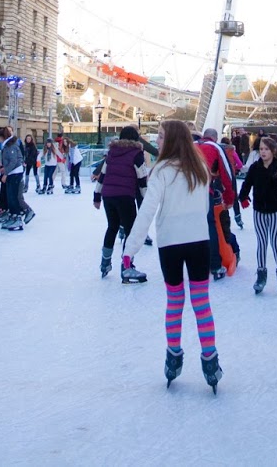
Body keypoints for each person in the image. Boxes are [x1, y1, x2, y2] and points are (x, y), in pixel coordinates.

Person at [124, 120, 222, 391]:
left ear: (173, 139)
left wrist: (129, 250)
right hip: (198, 242)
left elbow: (146, 211)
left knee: (175, 302)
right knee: (201, 303)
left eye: (161, 136)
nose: (156, 140)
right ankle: (210, 359)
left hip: (171, 245)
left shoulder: (161, 171)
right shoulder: (200, 168)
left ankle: (174, 356)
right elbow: (204, 207)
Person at [237, 136, 277, 295]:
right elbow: (247, 183)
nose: (263, 152)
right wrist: (243, 197)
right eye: (261, 149)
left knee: (275, 243)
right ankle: (261, 274)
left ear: (273, 151)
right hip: (259, 211)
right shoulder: (255, 168)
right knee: (262, 242)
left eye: (266, 149)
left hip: (275, 211)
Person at [94, 126, 149, 282]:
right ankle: (127, 266)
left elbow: (102, 175)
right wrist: (145, 200)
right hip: (125, 196)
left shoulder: (112, 153)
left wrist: (96, 196)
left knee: (112, 227)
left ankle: (105, 263)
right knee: (131, 231)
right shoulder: (137, 154)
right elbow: (142, 179)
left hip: (108, 196)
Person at [197, 128, 238, 278]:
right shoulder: (216, 148)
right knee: (210, 224)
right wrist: (229, 199)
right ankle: (215, 265)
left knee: (191, 227)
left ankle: (194, 264)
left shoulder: (191, 145)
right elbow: (227, 175)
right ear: (215, 137)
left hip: (185, 192)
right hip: (203, 190)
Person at [0, 126, 33, 230]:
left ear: (2, 137)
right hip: (12, 173)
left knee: (13, 197)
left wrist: (6, 173)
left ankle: (17, 218)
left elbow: (14, 161)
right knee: (10, 197)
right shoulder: (7, 145)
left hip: (15, 174)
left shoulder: (10, 146)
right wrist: (4, 169)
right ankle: (13, 216)